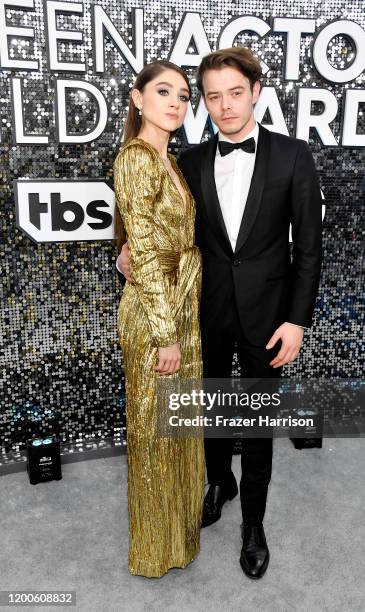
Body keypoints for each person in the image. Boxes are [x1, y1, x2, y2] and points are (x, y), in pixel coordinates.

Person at [117, 47, 323, 579]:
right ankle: (218, 483)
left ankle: (252, 524)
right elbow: (162, 230)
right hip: (200, 316)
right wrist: (128, 253)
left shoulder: (294, 156)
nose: (226, 105)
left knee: (255, 426)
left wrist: (297, 320)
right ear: (203, 104)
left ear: (255, 92)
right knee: (205, 416)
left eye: (236, 92)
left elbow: (310, 248)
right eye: (212, 96)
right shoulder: (187, 161)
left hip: (269, 319)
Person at [113, 59, 205, 578]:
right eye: (163, 91)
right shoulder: (136, 158)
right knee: (154, 434)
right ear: (137, 97)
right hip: (156, 318)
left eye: (184, 96)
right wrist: (167, 333)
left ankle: (177, 542)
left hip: (181, 304)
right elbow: (145, 247)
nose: (175, 102)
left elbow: (148, 239)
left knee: (177, 429)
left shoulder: (169, 161)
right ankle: (152, 552)